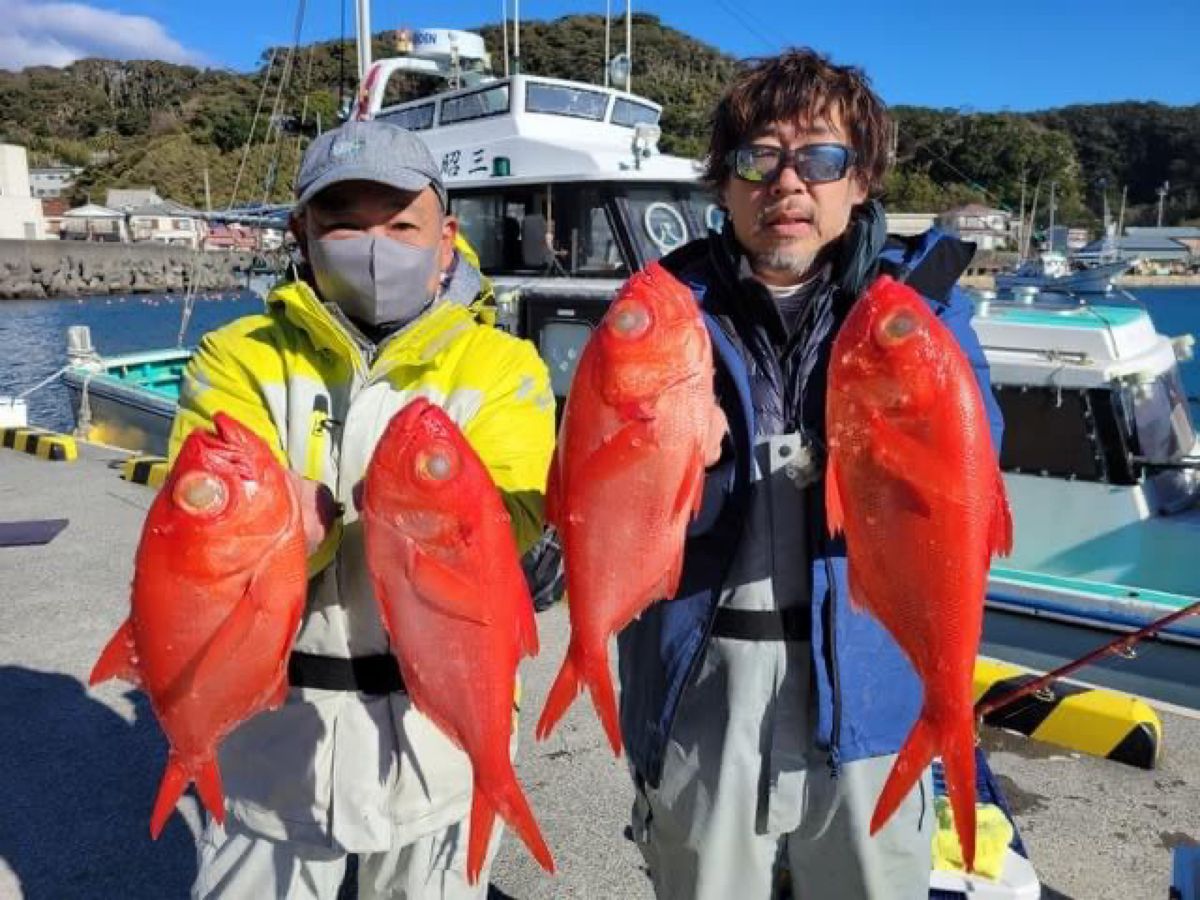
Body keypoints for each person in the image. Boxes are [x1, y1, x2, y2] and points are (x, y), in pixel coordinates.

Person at [616, 49, 1004, 900]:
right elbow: (601, 471)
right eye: (758, 156)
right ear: (723, 182)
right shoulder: (663, 310)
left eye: (820, 158)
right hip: (701, 687)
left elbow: (978, 463)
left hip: (869, 684)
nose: (786, 183)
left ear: (859, 181)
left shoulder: (917, 310)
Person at [169, 120, 556, 899]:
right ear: (300, 233)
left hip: (441, 726)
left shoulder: (504, 364)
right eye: (343, 220)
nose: (374, 241)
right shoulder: (236, 356)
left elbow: (513, 520)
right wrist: (296, 540)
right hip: (271, 733)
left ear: (445, 236)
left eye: (400, 221)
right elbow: (203, 536)